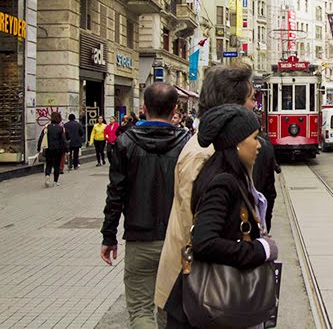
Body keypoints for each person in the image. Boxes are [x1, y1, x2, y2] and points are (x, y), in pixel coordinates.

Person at [155, 64, 269, 317]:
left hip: (201, 287)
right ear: (232, 106)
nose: (254, 105)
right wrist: (256, 251)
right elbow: (197, 231)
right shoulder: (207, 154)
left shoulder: (219, 150)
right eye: (251, 99)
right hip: (196, 289)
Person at [100, 83, 190, 328]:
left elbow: (115, 194)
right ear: (175, 110)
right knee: (169, 310)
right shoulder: (187, 144)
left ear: (143, 108)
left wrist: (109, 237)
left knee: (140, 310)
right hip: (176, 241)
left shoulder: (124, 143)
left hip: (139, 238)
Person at [253, 129, 282, 232]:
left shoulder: (245, 145)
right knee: (266, 219)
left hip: (256, 193)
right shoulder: (266, 143)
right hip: (266, 193)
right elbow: (271, 159)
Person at [37, 112, 68, 187]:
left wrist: (38, 148)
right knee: (57, 165)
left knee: (48, 164)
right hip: (58, 149)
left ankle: (47, 176)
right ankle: (55, 181)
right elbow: (64, 140)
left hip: (48, 148)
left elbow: (41, 138)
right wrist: (67, 149)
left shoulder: (47, 127)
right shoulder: (60, 128)